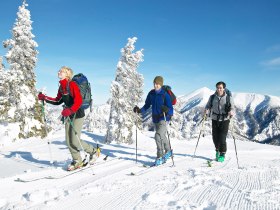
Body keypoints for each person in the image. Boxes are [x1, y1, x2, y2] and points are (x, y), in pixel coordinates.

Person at [38, 66, 98, 171]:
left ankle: (93, 151)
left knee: (75, 140)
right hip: (68, 114)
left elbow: (78, 101)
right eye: (59, 71)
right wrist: (45, 98)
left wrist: (70, 110)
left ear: (67, 74)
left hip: (77, 113)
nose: (59, 72)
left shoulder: (72, 85)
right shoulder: (62, 87)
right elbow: (57, 101)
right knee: (68, 140)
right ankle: (77, 160)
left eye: (62, 71)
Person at [134, 76, 173, 166]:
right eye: (155, 83)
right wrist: (139, 110)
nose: (156, 85)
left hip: (163, 118)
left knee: (158, 136)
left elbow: (171, 109)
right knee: (162, 136)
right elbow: (147, 105)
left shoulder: (165, 95)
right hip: (155, 119)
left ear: (161, 84)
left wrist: (166, 110)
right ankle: (168, 150)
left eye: (158, 84)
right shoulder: (151, 94)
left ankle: (160, 155)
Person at [204, 81, 234, 162]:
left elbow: (232, 108)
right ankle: (217, 150)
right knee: (215, 137)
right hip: (215, 119)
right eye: (217, 88)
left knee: (222, 137)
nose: (219, 89)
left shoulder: (228, 98)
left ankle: (222, 154)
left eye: (220, 88)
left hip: (225, 119)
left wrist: (231, 112)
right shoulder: (212, 97)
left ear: (224, 88)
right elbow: (208, 105)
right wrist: (207, 109)